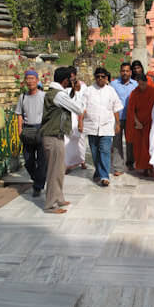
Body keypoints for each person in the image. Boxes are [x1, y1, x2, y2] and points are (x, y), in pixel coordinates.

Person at [39, 67, 85, 213]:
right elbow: (78, 109)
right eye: (70, 80)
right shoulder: (58, 95)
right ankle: (50, 205)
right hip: (52, 137)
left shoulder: (55, 93)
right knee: (54, 171)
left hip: (55, 136)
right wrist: (76, 92)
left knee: (59, 170)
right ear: (65, 80)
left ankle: (58, 198)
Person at [80, 67, 123, 187]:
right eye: (98, 76)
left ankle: (104, 176)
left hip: (107, 126)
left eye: (102, 76)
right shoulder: (88, 90)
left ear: (106, 78)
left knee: (104, 151)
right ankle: (98, 171)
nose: (100, 78)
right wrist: (80, 122)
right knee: (94, 152)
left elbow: (116, 108)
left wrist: (118, 123)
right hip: (91, 126)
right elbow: (83, 107)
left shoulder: (111, 91)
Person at [15, 70, 47, 197]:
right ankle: (38, 178)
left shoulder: (44, 96)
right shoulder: (22, 97)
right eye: (28, 78)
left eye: (32, 78)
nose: (30, 81)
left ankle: (38, 186)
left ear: (37, 80)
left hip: (41, 129)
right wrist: (20, 131)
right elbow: (19, 115)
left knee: (42, 160)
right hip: (27, 130)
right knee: (28, 160)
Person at [125, 73, 154, 177]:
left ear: (146, 82)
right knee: (140, 146)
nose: (141, 87)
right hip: (139, 125)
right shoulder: (134, 93)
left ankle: (152, 167)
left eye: (143, 84)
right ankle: (144, 167)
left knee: (151, 145)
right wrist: (136, 122)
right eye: (139, 85)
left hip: (151, 123)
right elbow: (131, 110)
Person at [110, 62, 137, 175]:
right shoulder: (113, 84)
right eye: (123, 71)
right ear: (120, 72)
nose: (125, 73)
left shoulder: (135, 84)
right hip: (117, 117)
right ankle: (118, 167)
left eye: (127, 71)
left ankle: (130, 163)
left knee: (130, 141)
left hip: (131, 118)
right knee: (117, 142)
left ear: (130, 72)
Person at [64, 67, 87, 172]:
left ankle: (82, 160)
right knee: (67, 142)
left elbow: (83, 104)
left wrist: (81, 121)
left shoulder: (83, 87)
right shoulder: (64, 90)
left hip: (79, 117)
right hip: (67, 118)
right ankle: (67, 164)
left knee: (80, 141)